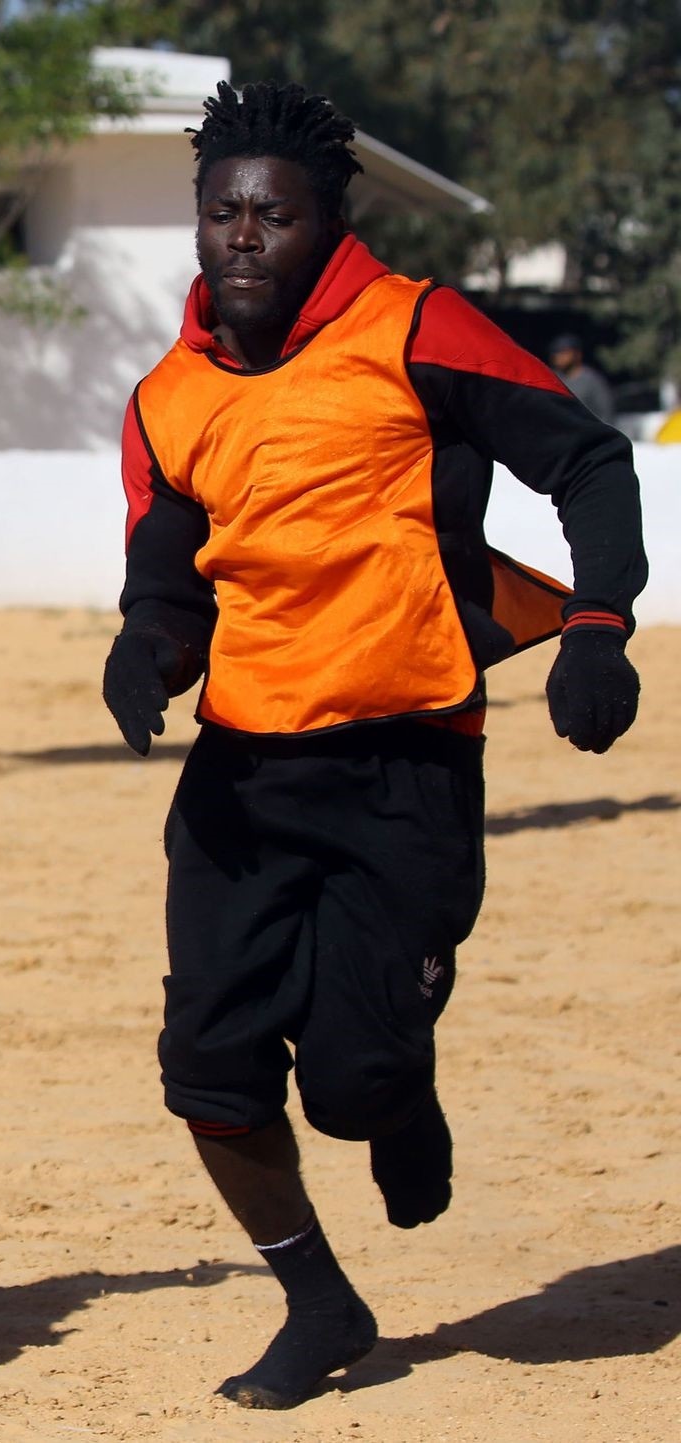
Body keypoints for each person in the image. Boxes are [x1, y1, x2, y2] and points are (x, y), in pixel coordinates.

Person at [104, 83, 646, 1410]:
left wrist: (596, 626)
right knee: (210, 1072)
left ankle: (400, 1099)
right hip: (241, 773)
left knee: (353, 1084)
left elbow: (587, 460)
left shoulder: (417, 328)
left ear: (326, 223)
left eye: (273, 213)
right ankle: (318, 1298)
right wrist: (147, 647)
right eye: (221, 211)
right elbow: (172, 563)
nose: (243, 234)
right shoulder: (168, 397)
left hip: (405, 762)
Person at [548, 332, 618, 424]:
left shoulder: (592, 380)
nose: (558, 357)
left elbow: (606, 412)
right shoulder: (553, 379)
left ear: (577, 354)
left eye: (564, 352)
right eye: (556, 353)